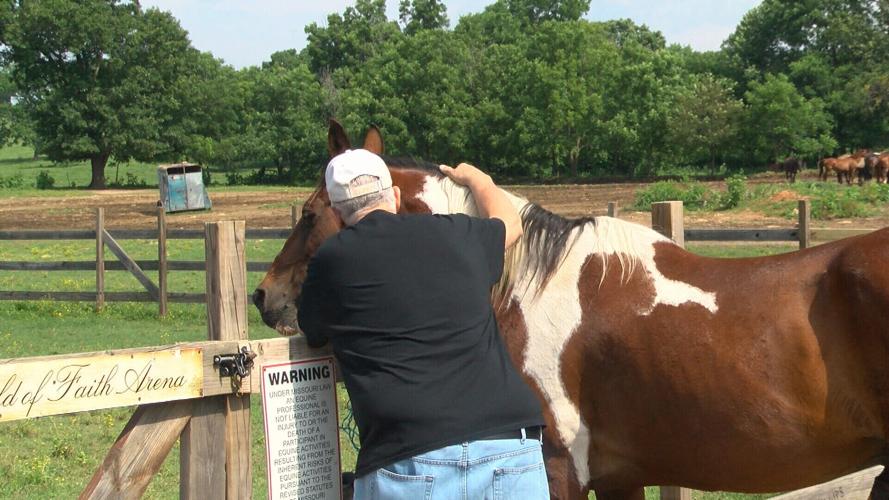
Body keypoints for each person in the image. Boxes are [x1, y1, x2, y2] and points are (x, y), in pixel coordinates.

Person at [297, 148, 549, 499]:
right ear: (396, 196)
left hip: (408, 458)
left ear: (337, 215)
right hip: (508, 448)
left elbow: (311, 329)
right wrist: (477, 178)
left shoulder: (332, 261)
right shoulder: (457, 233)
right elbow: (511, 225)